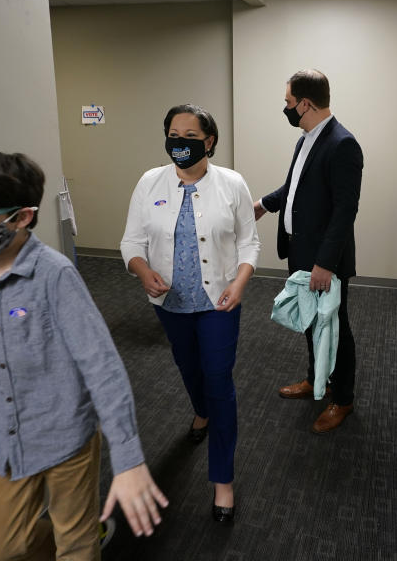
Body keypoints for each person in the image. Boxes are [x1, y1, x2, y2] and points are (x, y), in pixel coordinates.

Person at [0, 151, 168, 561]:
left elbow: (103, 368)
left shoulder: (54, 274)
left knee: (75, 546)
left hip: (68, 442)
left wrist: (129, 459)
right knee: (7, 550)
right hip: (8, 442)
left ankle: (87, 531)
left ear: (22, 217)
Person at [121, 104, 260, 523]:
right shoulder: (150, 182)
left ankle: (222, 481)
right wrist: (142, 271)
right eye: (172, 133)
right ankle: (199, 409)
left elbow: (249, 243)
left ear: (209, 141)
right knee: (189, 368)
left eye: (189, 134)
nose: (179, 141)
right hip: (171, 305)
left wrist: (239, 282)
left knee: (218, 381)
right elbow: (131, 241)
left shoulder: (231, 184)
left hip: (219, 302)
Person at [254, 69, 363, 434]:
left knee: (335, 327)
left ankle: (342, 399)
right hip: (300, 252)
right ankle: (316, 379)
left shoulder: (342, 144)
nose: (285, 108)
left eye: (288, 102)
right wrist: (264, 205)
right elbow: (295, 187)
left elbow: (345, 210)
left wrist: (324, 264)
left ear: (305, 103)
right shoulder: (307, 139)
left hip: (322, 263)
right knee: (310, 321)